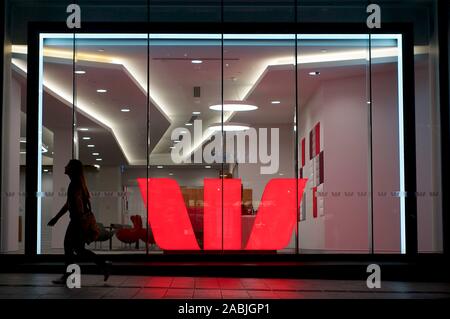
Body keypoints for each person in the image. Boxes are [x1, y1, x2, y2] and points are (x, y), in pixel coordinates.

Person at [48, 159, 111, 284]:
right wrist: (56, 218)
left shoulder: (75, 184)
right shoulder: (78, 183)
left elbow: (77, 202)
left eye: (68, 165)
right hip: (79, 220)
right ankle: (103, 264)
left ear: (72, 169)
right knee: (78, 249)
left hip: (77, 221)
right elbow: (69, 204)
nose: (65, 167)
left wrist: (79, 219)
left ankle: (69, 274)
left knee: (68, 246)